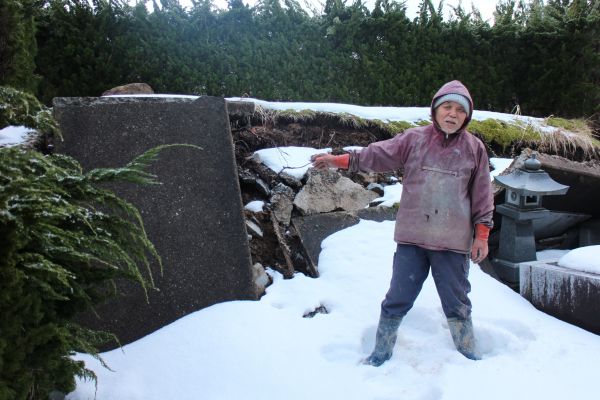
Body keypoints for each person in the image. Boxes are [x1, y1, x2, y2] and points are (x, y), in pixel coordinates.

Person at [311, 80, 494, 365]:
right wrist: (338, 161)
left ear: (467, 116)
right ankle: (381, 352)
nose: (452, 114)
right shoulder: (413, 139)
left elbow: (482, 194)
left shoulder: (475, 149)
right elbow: (376, 155)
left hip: (452, 242)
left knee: (457, 302)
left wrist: (481, 234)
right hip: (412, 239)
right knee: (398, 296)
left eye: (460, 109)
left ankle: (468, 354)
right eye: (447, 106)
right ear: (435, 109)